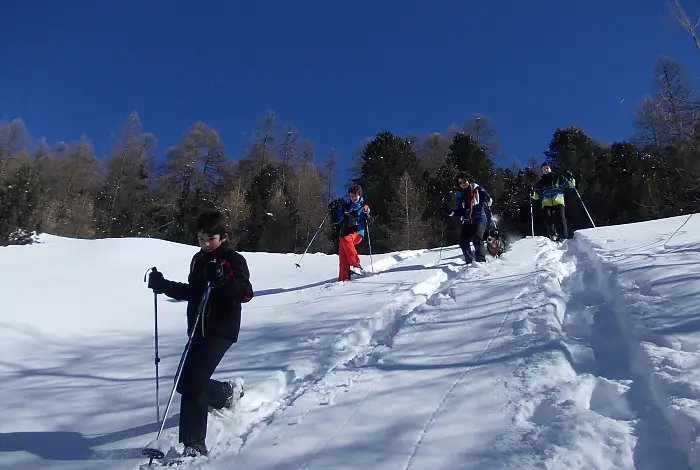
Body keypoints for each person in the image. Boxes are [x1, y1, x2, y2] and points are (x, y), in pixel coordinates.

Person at [147, 210, 254, 457]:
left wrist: (224, 280)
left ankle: (194, 444)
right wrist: (163, 286)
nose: (205, 244)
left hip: (221, 329)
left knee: (194, 379)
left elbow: (246, 294)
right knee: (185, 382)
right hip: (197, 328)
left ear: (223, 237)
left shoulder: (233, 260)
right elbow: (193, 292)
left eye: (210, 239)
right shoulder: (197, 261)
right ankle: (227, 394)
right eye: (201, 239)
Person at [443, 171, 493, 264]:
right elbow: (461, 210)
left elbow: (488, 201)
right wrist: (451, 212)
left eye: (464, 181)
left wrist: (487, 198)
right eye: (460, 183)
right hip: (467, 220)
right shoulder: (459, 195)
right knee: (463, 241)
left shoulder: (477, 189)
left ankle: (481, 260)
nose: (463, 184)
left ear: (469, 180)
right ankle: (470, 262)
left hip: (479, 218)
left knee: (477, 237)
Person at [330, 184, 371, 281]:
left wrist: (367, 218)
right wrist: (333, 210)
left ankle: (356, 264)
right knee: (343, 258)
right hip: (345, 233)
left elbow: (368, 216)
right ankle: (343, 278)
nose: (353, 198)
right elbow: (337, 220)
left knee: (346, 239)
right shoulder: (346, 207)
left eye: (355, 196)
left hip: (357, 233)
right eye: (351, 196)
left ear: (359, 195)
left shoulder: (363, 206)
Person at [530, 163, 576, 241]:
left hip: (558, 201)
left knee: (561, 217)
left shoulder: (558, 177)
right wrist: (532, 193)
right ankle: (553, 234)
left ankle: (563, 235)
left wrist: (571, 178)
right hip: (546, 203)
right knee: (547, 218)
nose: (545, 170)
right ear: (542, 171)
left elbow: (570, 185)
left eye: (547, 168)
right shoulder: (540, 183)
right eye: (543, 169)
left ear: (550, 168)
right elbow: (537, 196)